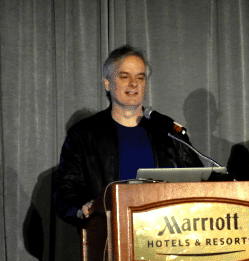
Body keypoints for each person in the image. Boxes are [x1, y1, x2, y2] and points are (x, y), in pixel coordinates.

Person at [53, 45, 202, 224]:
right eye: (124, 76)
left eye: (140, 77)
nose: (133, 83)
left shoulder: (166, 130)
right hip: (111, 236)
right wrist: (83, 208)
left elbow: (200, 182)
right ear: (108, 83)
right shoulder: (83, 135)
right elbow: (65, 190)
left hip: (168, 234)